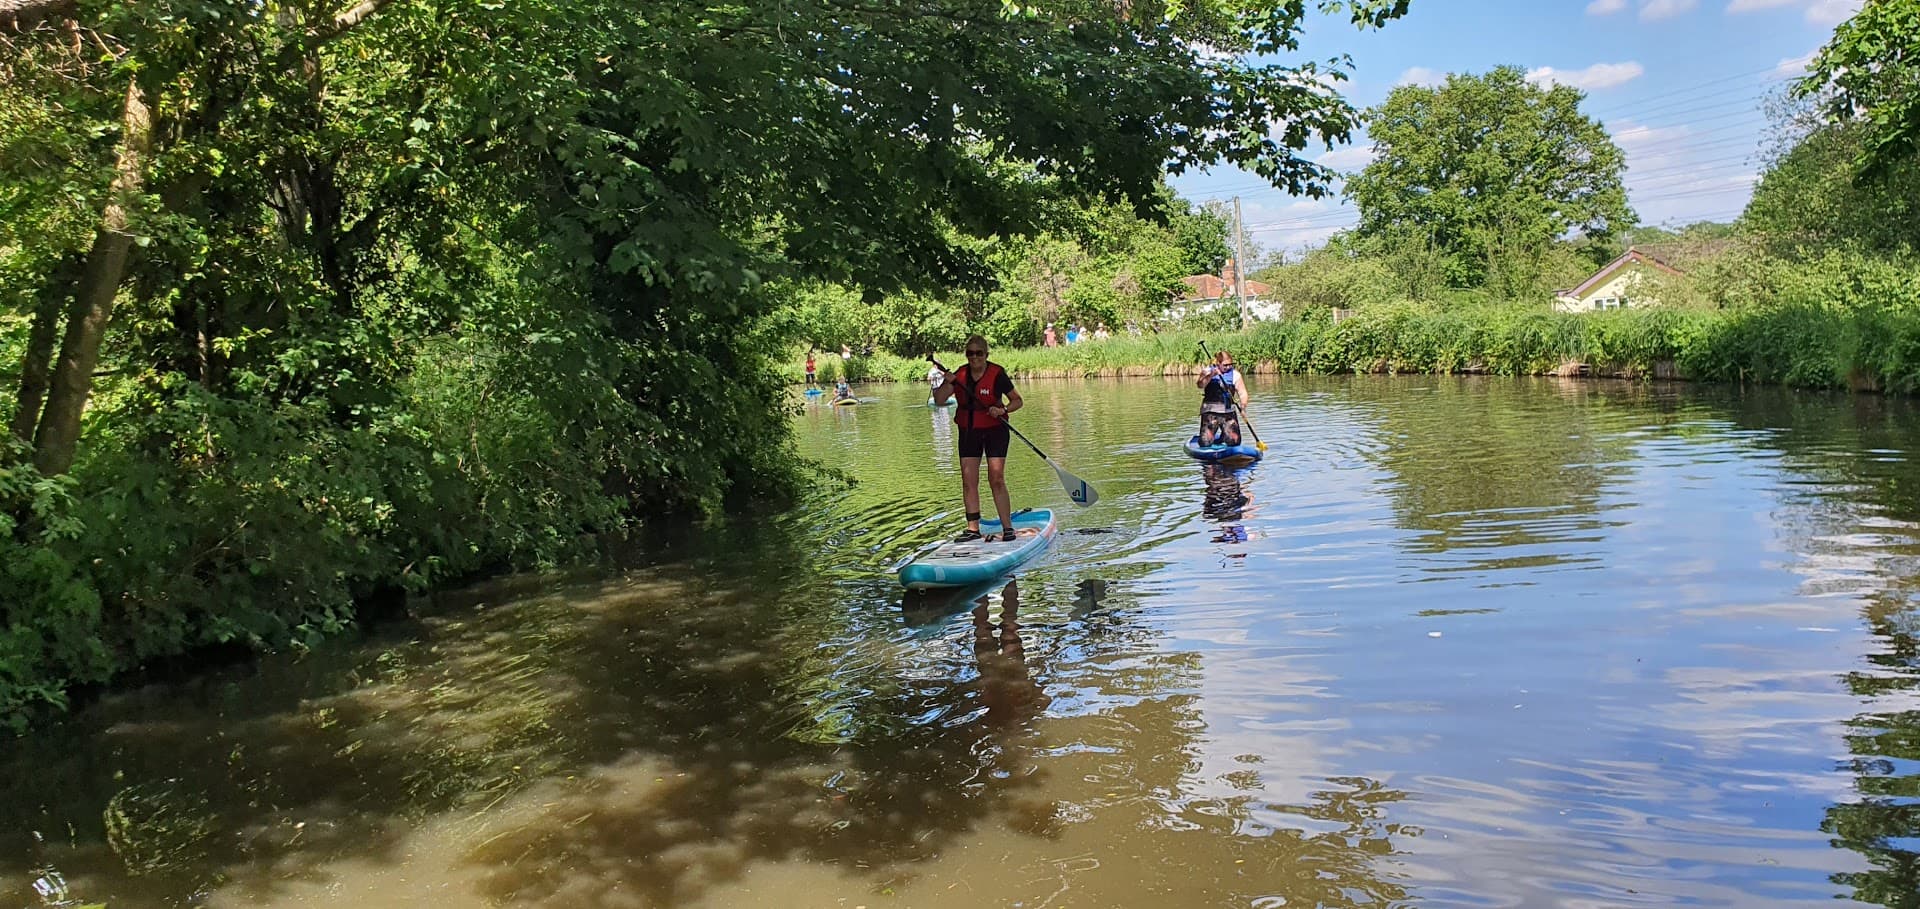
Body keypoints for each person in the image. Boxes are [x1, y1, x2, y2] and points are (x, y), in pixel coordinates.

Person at [932, 335, 1023, 542]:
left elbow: (1018, 401)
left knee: (996, 478)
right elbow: (939, 400)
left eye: (978, 353)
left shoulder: (997, 374)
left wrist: (1002, 410)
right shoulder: (960, 375)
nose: (974, 357)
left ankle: (1007, 528)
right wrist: (947, 382)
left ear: (986, 354)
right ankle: (973, 529)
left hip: (995, 431)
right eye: (970, 353)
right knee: (968, 480)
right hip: (969, 431)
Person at [1197, 349, 1248, 446]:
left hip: (1228, 413)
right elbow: (1200, 385)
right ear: (1218, 363)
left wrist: (1243, 407)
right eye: (1225, 365)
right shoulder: (1207, 371)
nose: (1228, 367)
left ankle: (1225, 436)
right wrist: (1211, 375)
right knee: (1205, 442)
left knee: (1235, 441)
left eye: (1230, 364)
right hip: (1210, 412)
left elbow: (1243, 393)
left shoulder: (1236, 375)